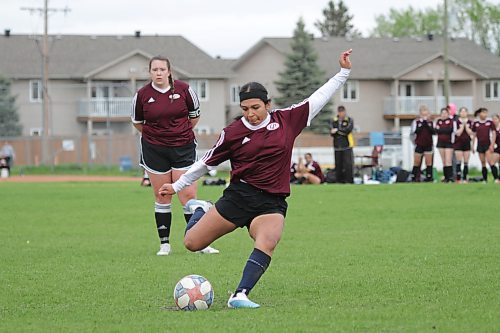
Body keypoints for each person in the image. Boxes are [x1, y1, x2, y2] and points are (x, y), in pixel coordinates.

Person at [158, 50, 353, 308]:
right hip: (239, 197)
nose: (250, 114)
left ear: (268, 104)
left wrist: (343, 72)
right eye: (245, 109)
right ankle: (201, 210)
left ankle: (240, 295)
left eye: (256, 108)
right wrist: (177, 185)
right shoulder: (233, 132)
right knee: (192, 243)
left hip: (271, 202)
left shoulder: (288, 120)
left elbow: (318, 97)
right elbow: (205, 162)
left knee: (268, 240)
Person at [131, 55, 218, 256]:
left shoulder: (185, 90)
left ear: (169, 71)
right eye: (155, 70)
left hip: (183, 148)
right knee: (162, 195)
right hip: (154, 149)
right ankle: (165, 244)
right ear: (150, 72)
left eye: (162, 69)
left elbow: (194, 116)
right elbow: (138, 123)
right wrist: (157, 136)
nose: (159, 73)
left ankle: (199, 244)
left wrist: (178, 133)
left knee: (187, 196)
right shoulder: (142, 95)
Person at [472, 108, 498, 182]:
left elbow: (494, 133)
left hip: (487, 145)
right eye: (483, 113)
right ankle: (485, 179)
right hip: (480, 145)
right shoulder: (476, 123)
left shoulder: (489, 122)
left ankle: (496, 178)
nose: (485, 114)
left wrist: (492, 145)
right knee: (483, 162)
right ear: (480, 113)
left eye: (486, 113)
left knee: (490, 161)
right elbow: (474, 135)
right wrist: (472, 146)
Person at [410, 105, 434, 182]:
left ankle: (429, 177)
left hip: (428, 144)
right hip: (419, 144)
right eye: (423, 112)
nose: (424, 114)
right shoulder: (416, 122)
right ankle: (414, 176)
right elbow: (415, 132)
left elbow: (433, 131)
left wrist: (426, 124)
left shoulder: (431, 122)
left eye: (426, 112)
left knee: (428, 161)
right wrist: (422, 123)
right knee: (417, 161)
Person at [330, 106, 354, 183]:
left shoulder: (349, 120)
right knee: (338, 165)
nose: (342, 114)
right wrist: (337, 132)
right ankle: (339, 181)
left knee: (348, 165)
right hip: (337, 146)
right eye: (340, 112)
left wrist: (337, 130)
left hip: (347, 146)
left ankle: (349, 181)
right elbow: (332, 132)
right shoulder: (334, 120)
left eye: (343, 112)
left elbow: (347, 130)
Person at [435, 107, 457, 182]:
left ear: (448, 114)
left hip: (448, 143)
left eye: (445, 113)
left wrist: (442, 130)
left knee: (448, 160)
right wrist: (442, 130)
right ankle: (446, 177)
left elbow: (450, 130)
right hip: (440, 143)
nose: (444, 115)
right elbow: (436, 130)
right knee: (443, 161)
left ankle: (450, 177)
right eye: (442, 113)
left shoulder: (451, 121)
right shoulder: (438, 121)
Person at [453, 107, 474, 182]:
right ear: (459, 113)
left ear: (467, 113)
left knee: (466, 162)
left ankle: (465, 178)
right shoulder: (456, 122)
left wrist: (466, 127)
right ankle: (458, 178)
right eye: (462, 112)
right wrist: (462, 127)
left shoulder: (470, 122)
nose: (463, 113)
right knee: (458, 161)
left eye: (465, 111)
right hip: (458, 143)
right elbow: (457, 133)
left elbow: (471, 133)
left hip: (467, 143)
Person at [492, 114, 500, 184]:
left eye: (496, 119)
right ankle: (496, 178)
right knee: (492, 163)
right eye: (493, 119)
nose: (494, 120)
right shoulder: (492, 129)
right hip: (497, 147)